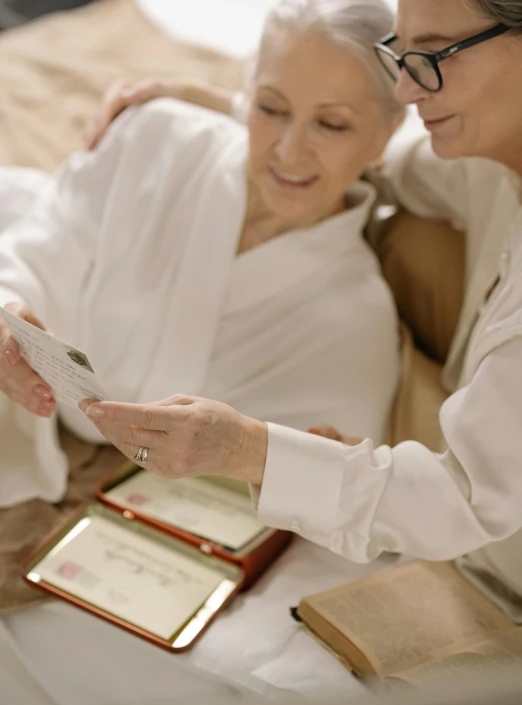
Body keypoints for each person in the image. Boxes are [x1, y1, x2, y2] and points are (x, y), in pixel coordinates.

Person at [0, 0, 403, 705]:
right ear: (241, 94)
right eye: (270, 107)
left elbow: (321, 498)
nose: (289, 148)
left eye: (333, 124)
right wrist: (8, 311)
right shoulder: (157, 139)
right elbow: (37, 246)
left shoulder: (353, 320)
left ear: (385, 136)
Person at [80, 0, 522, 572]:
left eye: (435, 55)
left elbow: (464, 499)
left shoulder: (354, 314)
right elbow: (379, 153)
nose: (408, 91)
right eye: (403, 53)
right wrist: (249, 109)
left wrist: (245, 448)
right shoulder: (484, 158)